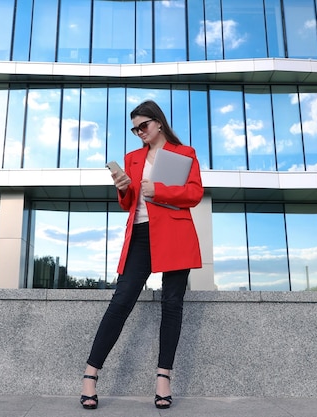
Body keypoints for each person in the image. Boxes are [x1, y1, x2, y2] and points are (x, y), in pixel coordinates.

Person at [80, 100, 204, 410]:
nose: (139, 133)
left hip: (175, 233)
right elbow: (128, 203)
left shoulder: (184, 153)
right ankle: (90, 375)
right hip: (140, 234)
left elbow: (194, 194)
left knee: (172, 304)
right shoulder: (133, 158)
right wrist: (123, 188)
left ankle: (163, 378)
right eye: (135, 129)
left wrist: (158, 190)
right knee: (121, 301)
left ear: (159, 123)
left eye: (143, 126)